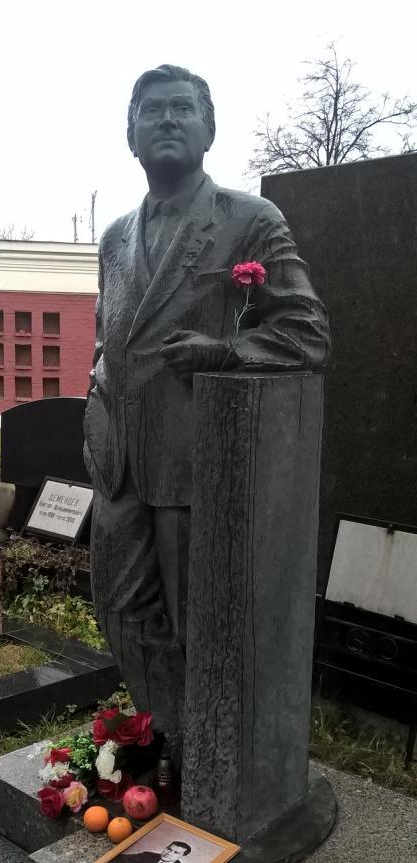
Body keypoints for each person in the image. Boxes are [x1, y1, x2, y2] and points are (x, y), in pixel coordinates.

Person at [84, 64, 330, 752]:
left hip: (198, 464)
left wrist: (225, 350)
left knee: (200, 624)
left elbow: (307, 332)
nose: (167, 119)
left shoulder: (250, 221)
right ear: (131, 134)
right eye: (152, 110)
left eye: (182, 108)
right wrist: (94, 421)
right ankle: (164, 733)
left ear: (208, 130)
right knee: (121, 610)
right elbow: (107, 342)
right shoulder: (115, 237)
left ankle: (213, 754)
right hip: (119, 464)